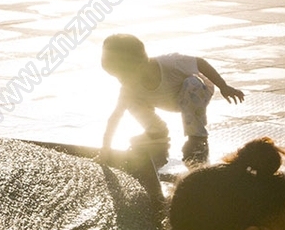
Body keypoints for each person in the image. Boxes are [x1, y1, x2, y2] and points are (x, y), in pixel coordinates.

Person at [98, 34, 244, 168]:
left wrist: (223, 87)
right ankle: (156, 131)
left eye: (123, 76)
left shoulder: (171, 63)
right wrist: (105, 149)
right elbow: (115, 118)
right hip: (168, 101)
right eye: (117, 78)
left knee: (192, 83)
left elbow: (200, 63)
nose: (122, 81)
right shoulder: (128, 88)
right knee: (130, 101)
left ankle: (197, 138)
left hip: (195, 93)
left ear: (141, 64)